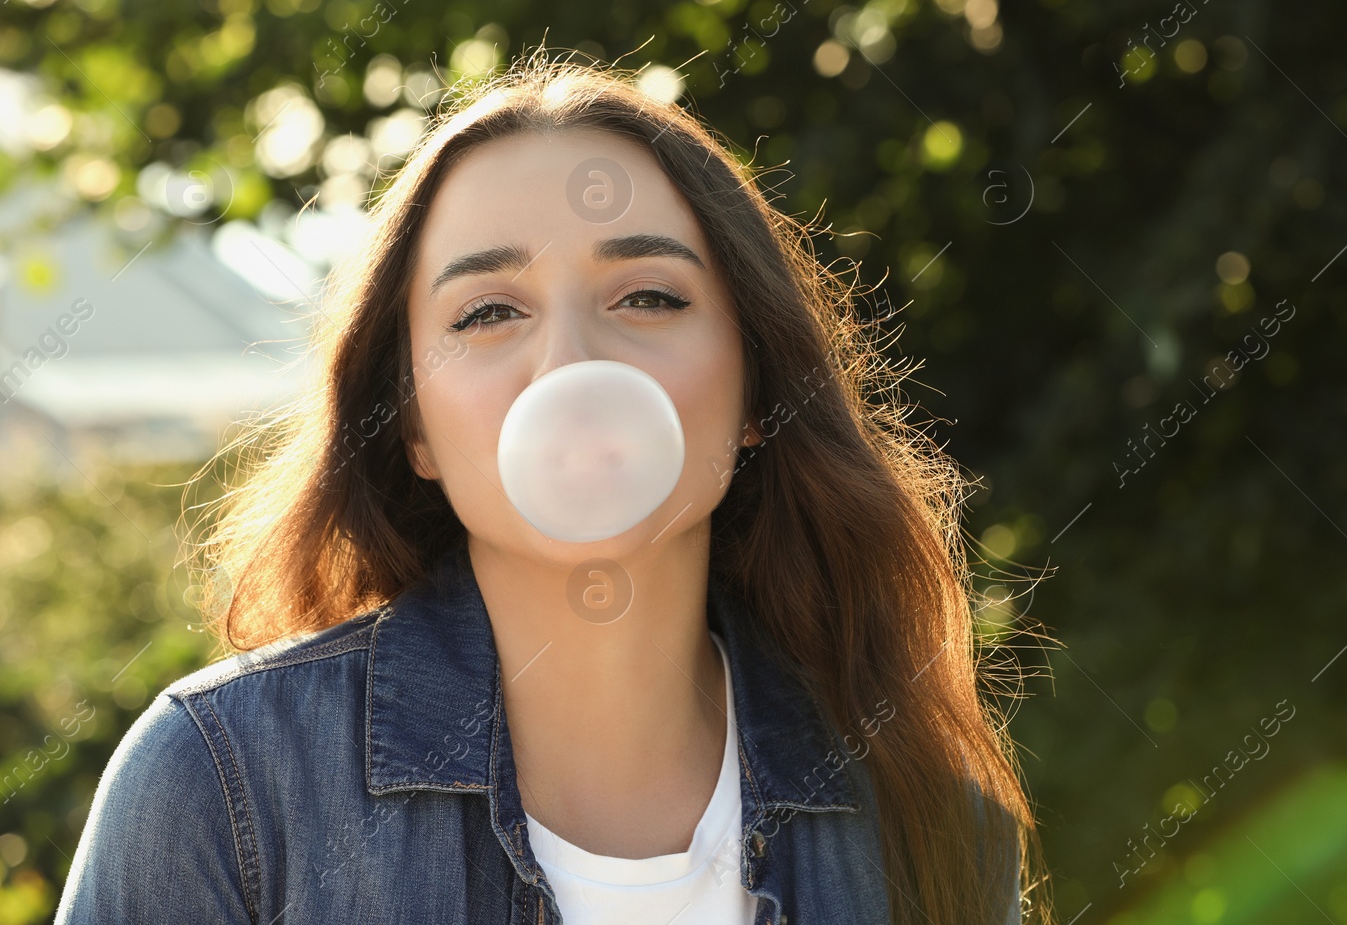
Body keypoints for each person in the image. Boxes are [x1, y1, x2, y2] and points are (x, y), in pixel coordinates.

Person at [54, 51, 1052, 925]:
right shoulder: (221, 787)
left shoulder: (926, 816)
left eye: (649, 296)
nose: (569, 364)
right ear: (410, 424)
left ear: (756, 388)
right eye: (488, 311)